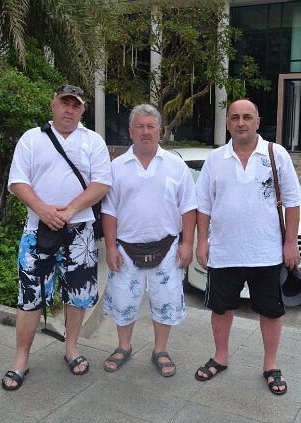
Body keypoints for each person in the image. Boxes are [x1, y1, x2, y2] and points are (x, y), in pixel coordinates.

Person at [2, 85, 111, 390]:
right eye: (64, 103)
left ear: (82, 110)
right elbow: (18, 181)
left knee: (78, 295)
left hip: (80, 233)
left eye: (75, 105)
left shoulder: (93, 141)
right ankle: (21, 359)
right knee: (30, 297)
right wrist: (43, 210)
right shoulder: (31, 138)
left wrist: (71, 209)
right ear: (53, 105)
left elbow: (102, 183)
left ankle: (71, 348)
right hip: (37, 231)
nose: (69, 109)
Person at [193, 99, 301, 394]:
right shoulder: (215, 159)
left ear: (257, 122)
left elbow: (293, 202)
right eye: (235, 117)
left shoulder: (276, 154)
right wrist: (202, 241)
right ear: (227, 123)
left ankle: (270, 365)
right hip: (224, 252)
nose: (241, 122)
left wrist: (291, 243)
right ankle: (221, 357)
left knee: (271, 312)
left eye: (247, 117)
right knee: (220, 309)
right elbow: (203, 205)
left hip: (266, 253)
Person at [101, 104, 197, 377]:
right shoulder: (116, 167)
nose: (145, 132)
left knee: (165, 301)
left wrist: (187, 244)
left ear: (160, 131)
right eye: (139, 127)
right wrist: (110, 247)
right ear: (130, 132)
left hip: (167, 247)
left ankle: (160, 350)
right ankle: (123, 346)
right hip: (125, 248)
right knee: (123, 301)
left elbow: (189, 206)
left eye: (150, 126)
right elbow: (109, 210)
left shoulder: (176, 165)